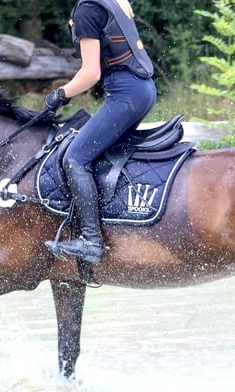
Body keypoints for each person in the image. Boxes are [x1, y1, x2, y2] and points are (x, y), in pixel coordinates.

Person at [44, 0, 156, 264]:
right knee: (101, 152)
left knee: (75, 158)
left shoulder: (87, 9)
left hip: (126, 94)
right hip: (143, 89)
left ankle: (91, 241)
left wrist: (60, 94)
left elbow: (91, 73)